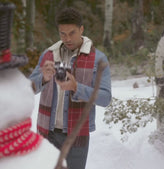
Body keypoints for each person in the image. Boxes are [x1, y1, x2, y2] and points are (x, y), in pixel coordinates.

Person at [29, 7, 111, 169]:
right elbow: (29, 89)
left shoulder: (98, 59)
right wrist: (43, 79)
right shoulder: (48, 54)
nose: (67, 38)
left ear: (81, 29)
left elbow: (105, 98)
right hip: (47, 132)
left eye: (72, 33)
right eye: (62, 34)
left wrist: (76, 87)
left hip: (77, 135)